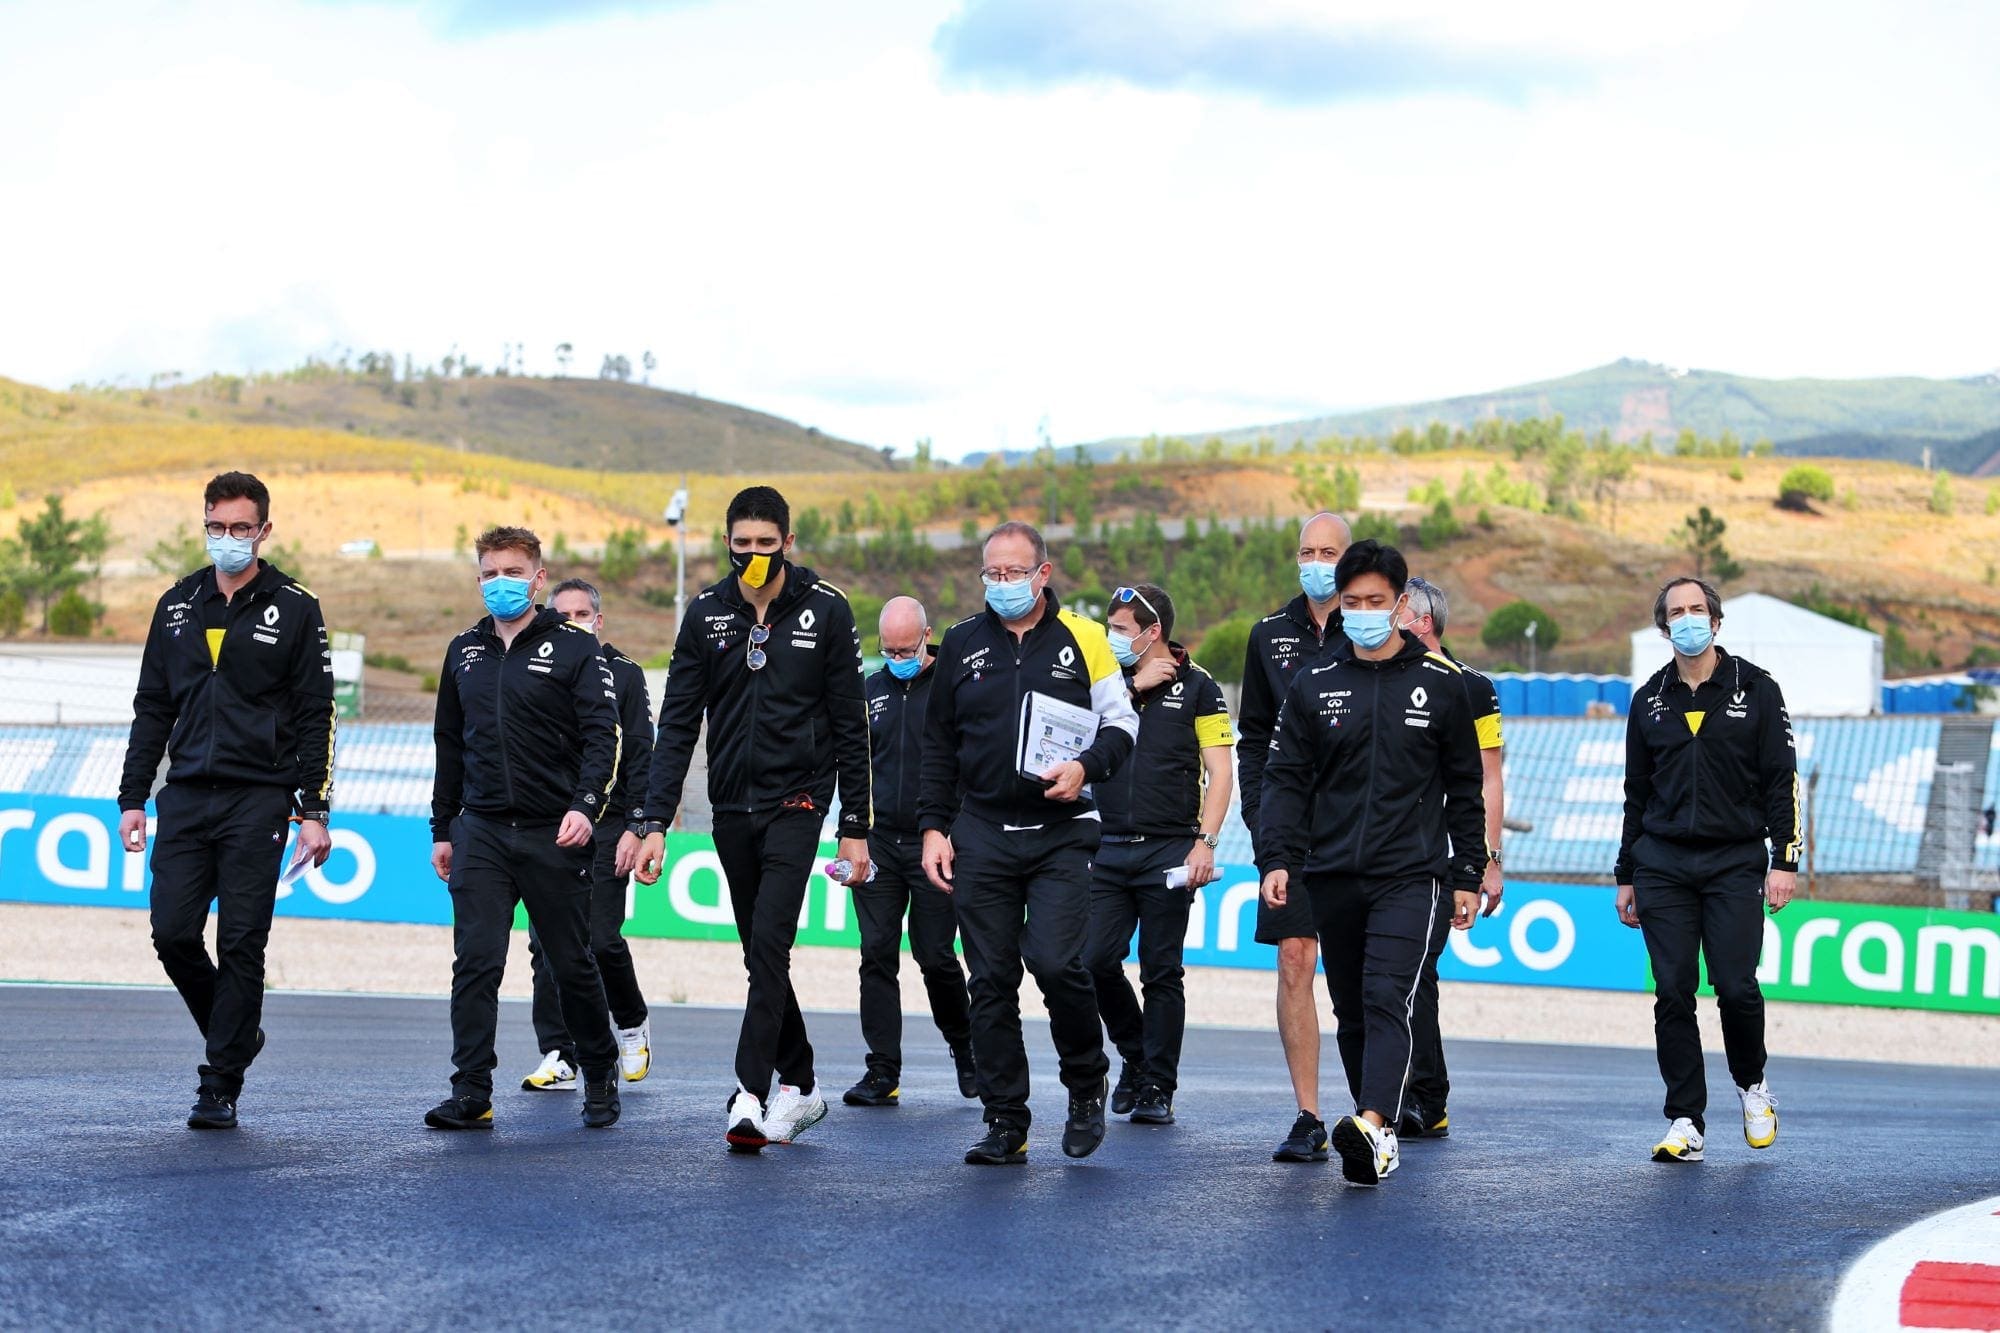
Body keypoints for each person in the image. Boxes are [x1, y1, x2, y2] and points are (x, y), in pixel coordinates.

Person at [633, 486, 872, 1153]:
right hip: (729, 807)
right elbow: (677, 721)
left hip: (798, 802)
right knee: (756, 951)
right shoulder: (706, 612)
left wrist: (856, 823)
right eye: (743, 546)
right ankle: (802, 1080)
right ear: (728, 545)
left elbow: (852, 724)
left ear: (788, 543)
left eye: (768, 544)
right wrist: (655, 819)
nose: (755, 556)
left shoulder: (827, 609)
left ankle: (749, 1089)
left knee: (770, 945)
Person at [1256, 540, 1485, 1187]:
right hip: (1330, 872)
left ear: (1401, 603)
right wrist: (1277, 857)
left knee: (1388, 995)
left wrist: (1467, 872)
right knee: (1352, 1008)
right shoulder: (1316, 682)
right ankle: (1371, 1123)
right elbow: (1285, 777)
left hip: (1412, 874)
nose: (1361, 611)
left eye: (1374, 601)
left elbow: (1465, 789)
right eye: (1351, 601)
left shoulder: (1444, 686)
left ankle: (1377, 1123)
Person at [118, 471, 336, 1130]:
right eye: (217, 526)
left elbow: (315, 710)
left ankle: (220, 1082)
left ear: (265, 530)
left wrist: (314, 809)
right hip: (183, 796)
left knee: (243, 939)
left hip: (260, 798)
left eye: (242, 528)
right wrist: (133, 796)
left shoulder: (296, 605)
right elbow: (152, 706)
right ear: (205, 524)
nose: (229, 538)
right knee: (173, 932)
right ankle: (235, 1030)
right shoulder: (177, 602)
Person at [919, 521, 1139, 1166]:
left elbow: (1121, 721)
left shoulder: (1087, 638)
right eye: (993, 574)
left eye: (1016, 573)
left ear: (1043, 573)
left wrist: (1086, 768)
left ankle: (1084, 1080)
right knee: (989, 980)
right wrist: (935, 827)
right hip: (981, 832)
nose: (1004, 584)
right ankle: (1005, 1120)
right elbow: (937, 745)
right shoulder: (959, 643)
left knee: (1054, 963)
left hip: (1061, 834)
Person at [425, 527, 625, 1133]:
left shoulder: (573, 648)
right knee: (476, 962)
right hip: (481, 831)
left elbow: (602, 737)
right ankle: (472, 1090)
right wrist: (443, 827)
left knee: (570, 961)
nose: (499, 583)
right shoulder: (464, 650)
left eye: (512, 572)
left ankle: (597, 1070)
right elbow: (448, 744)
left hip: (553, 831)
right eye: (488, 572)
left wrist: (585, 807)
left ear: (537, 579)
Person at [1616, 576, 1796, 1164]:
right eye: (1677, 612)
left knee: (1737, 986)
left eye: (1698, 610)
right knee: (1672, 991)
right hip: (1662, 864)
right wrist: (1626, 874)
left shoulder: (1758, 689)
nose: (1689, 619)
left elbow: (1781, 783)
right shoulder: (1648, 699)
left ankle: (1753, 1087)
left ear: (1716, 622)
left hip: (1734, 861)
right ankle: (1686, 1120)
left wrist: (1784, 860)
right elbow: (1635, 793)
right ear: (1664, 627)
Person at [1082, 583, 1233, 1126]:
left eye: (1121, 630)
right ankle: (1136, 1055)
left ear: (1153, 633)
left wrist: (1205, 843)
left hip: (1170, 848)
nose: (1111, 638)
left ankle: (1158, 1088)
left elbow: (1221, 773)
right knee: (1094, 958)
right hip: (1106, 846)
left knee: (1161, 970)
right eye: (1110, 628)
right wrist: (1127, 685)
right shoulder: (1106, 684)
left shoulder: (1201, 688)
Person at [1236, 510, 1349, 1163]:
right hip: (1293, 834)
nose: (1316, 560)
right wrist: (1261, 819)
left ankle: (1375, 1106)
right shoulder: (1268, 634)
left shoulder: (1377, 626)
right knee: (1294, 960)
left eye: (1328, 550)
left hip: (1367, 831)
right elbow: (1253, 736)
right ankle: (1308, 1114)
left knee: (1365, 976)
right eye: (1307, 549)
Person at [518, 578, 656, 1093]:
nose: (573, 622)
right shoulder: (536, 667)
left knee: (599, 940)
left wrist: (638, 827)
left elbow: (641, 751)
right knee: (543, 944)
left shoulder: (624, 674)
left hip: (610, 823)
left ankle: (631, 1022)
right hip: (549, 825)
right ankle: (559, 1052)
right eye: (563, 614)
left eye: (582, 614)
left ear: (599, 621)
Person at [841, 596, 977, 1108]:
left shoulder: (954, 689)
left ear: (927, 637)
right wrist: (848, 832)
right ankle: (882, 1071)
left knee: (936, 955)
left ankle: (965, 1049)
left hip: (935, 842)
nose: (897, 656)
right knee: (875, 953)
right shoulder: (868, 691)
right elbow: (850, 766)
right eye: (888, 648)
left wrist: (948, 829)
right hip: (878, 844)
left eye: (906, 647)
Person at [1396, 575, 1506, 1140]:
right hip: (1390, 850)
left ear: (1423, 621)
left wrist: (1488, 859)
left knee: (1418, 972)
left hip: (1443, 855)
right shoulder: (1385, 675)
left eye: (1395, 612)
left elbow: (1489, 776)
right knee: (1398, 976)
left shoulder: (1474, 688)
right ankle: (1402, 1092)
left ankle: (1426, 1096)